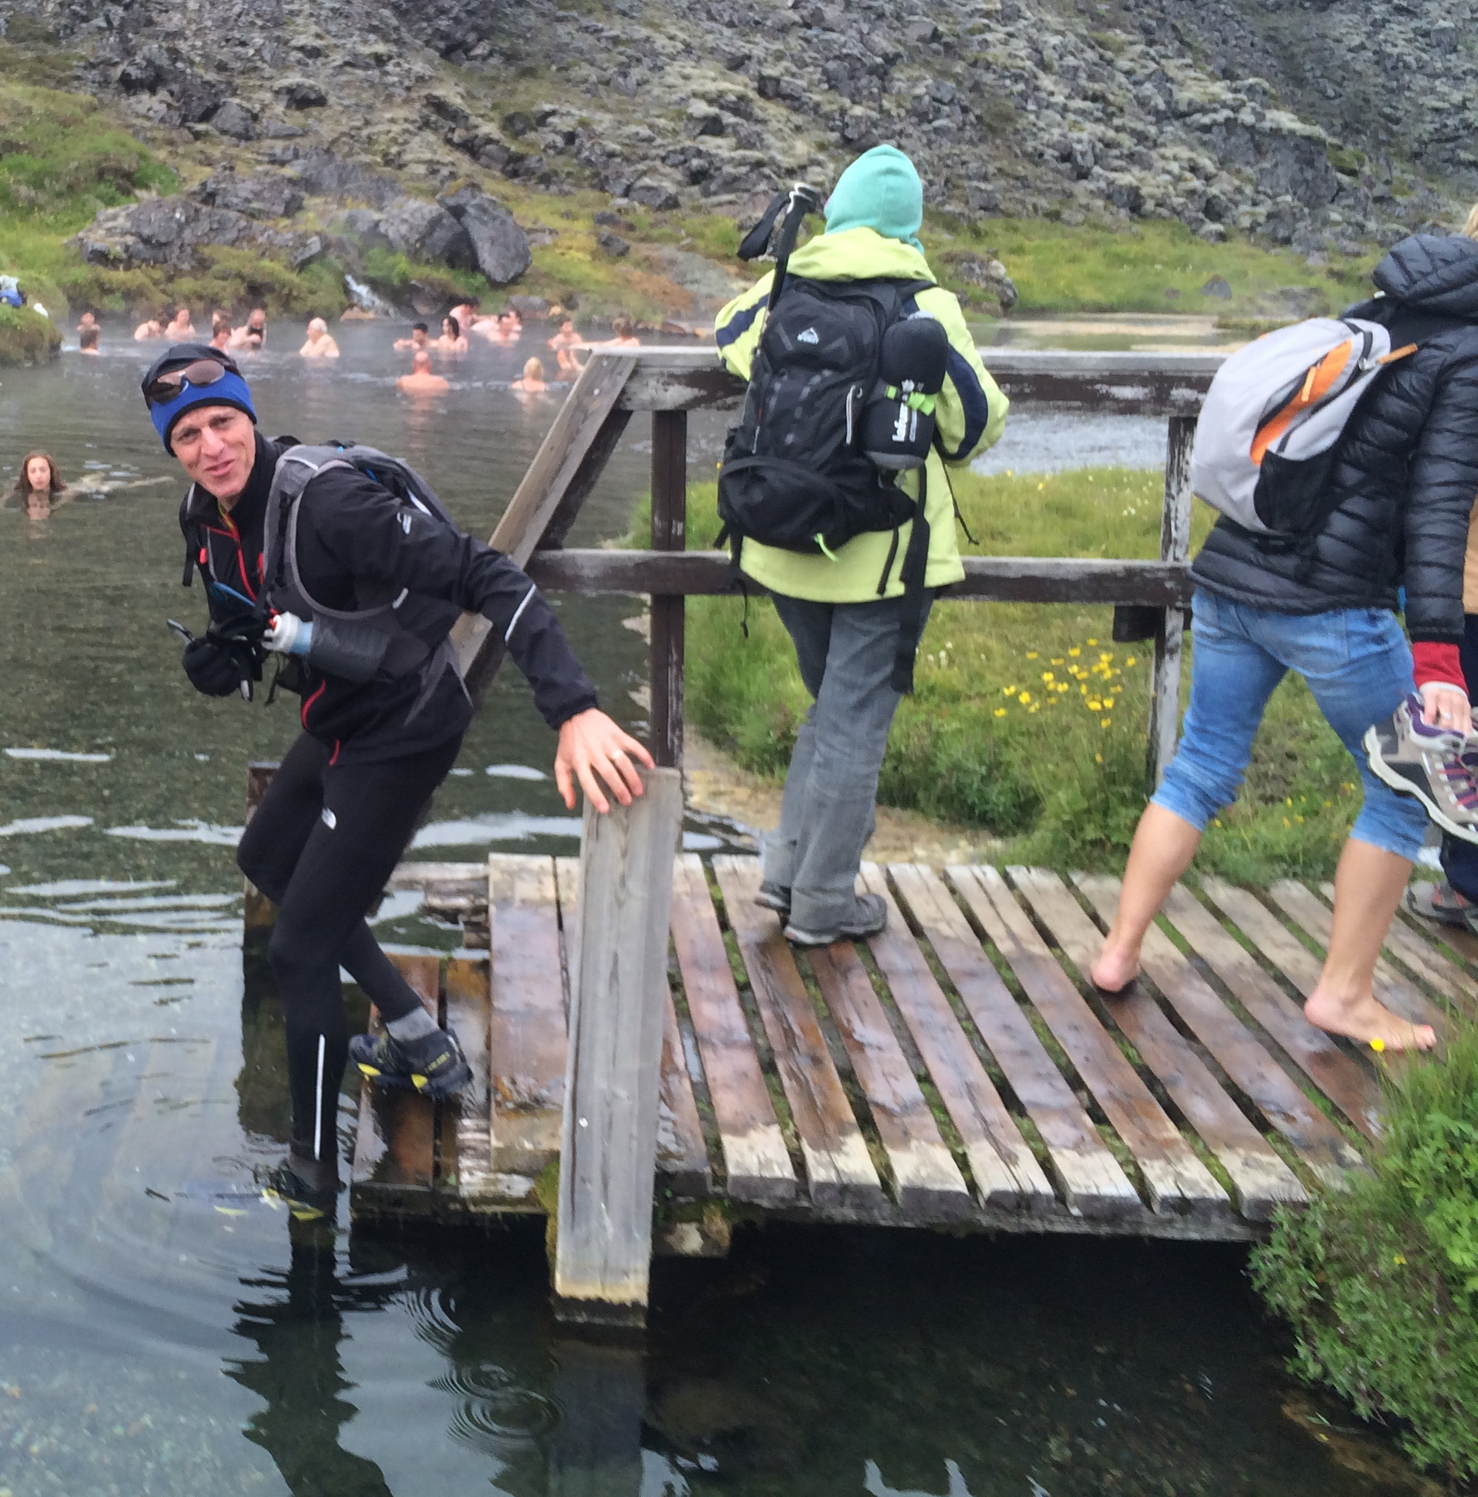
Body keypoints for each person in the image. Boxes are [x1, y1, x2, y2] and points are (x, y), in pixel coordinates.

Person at [144, 343, 654, 1219]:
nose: (210, 447)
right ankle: (416, 1032)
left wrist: (575, 706)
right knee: (267, 857)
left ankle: (309, 1182)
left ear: (250, 417)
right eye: (186, 434)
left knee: (300, 946)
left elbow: (490, 575)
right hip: (340, 719)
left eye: (222, 422)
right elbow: (264, 618)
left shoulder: (331, 502)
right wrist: (223, 659)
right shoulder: (207, 511)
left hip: (405, 730)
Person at [1089, 230, 1478, 1049]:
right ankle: (1345, 994)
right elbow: (1439, 510)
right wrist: (1439, 654)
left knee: (1198, 768)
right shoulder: (1467, 358)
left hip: (1233, 574)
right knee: (1405, 785)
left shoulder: (1372, 317)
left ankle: (1118, 952)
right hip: (1334, 604)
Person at [713, 145, 1009, 946]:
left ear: (838, 208)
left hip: (780, 540)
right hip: (879, 557)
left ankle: (787, 876)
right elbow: (973, 422)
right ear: (909, 223)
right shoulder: (926, 304)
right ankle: (821, 904)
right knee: (852, 722)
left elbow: (729, 334)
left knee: (834, 709)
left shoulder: (787, 284)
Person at [1412, 201, 1478, 930]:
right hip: (1459, 572)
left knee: (1460, 736)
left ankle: (1462, 879)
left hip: (1448, 573)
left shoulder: (1445, 326)